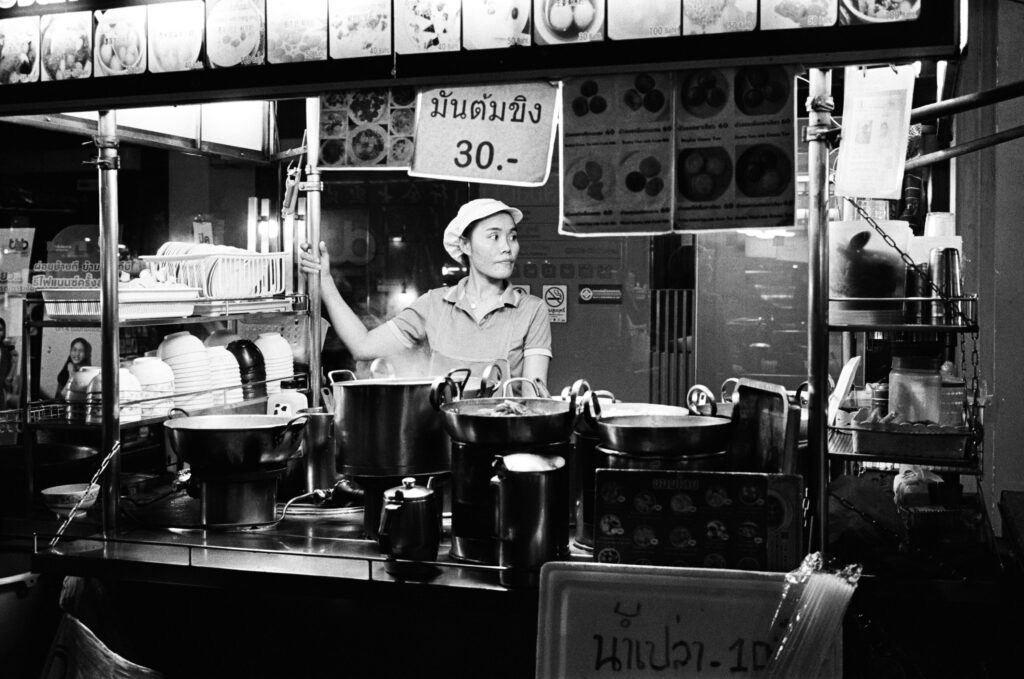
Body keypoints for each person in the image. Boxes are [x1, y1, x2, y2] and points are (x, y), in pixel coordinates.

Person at [300, 198, 552, 386]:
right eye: (494, 237)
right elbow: (363, 347)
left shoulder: (532, 310)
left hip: (503, 440)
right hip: (440, 440)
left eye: (513, 237)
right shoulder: (434, 304)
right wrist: (325, 281)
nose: (507, 247)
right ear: (465, 245)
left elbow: (533, 396)